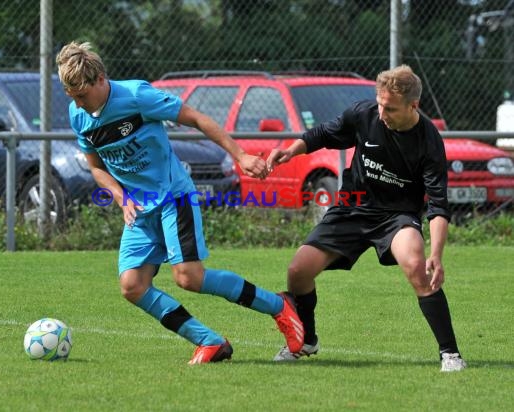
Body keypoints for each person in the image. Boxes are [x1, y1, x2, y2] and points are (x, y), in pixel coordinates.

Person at [55, 41, 303, 365]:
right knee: (132, 286)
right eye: (72, 96)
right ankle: (210, 342)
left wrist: (240, 155)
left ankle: (279, 306)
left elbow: (198, 119)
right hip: (139, 209)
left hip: (174, 196)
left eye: (82, 95)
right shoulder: (79, 115)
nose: (78, 103)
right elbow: (96, 168)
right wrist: (120, 196)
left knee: (189, 278)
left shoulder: (136, 96)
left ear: (101, 78)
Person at [266, 64, 466, 372]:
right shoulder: (365, 114)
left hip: (396, 216)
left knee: (417, 266)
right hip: (352, 207)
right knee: (298, 271)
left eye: (391, 108)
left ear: (414, 106)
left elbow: (438, 205)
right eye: (380, 104)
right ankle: (307, 340)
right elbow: (322, 134)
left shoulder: (428, 140)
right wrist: (291, 151)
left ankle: (450, 354)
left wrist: (436, 255)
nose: (382, 113)